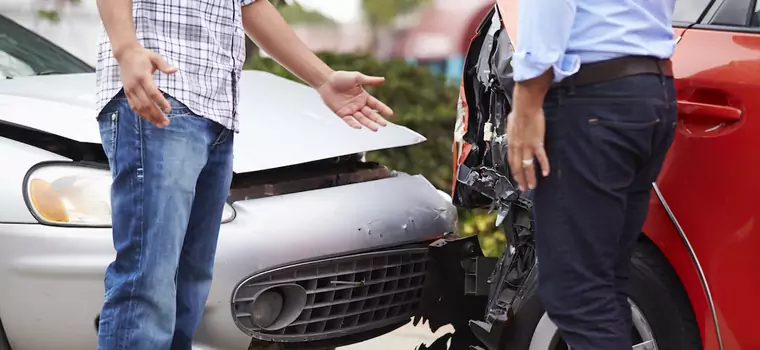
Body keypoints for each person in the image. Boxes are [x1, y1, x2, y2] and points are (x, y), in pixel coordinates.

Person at [93, 0, 393, 349]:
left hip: (216, 111)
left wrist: (323, 79)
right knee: (148, 281)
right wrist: (126, 48)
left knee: (188, 287)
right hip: (160, 94)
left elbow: (249, 6)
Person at [503, 0, 677, 348]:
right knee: (605, 284)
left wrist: (526, 101)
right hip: (649, 90)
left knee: (578, 294)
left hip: (592, 99)